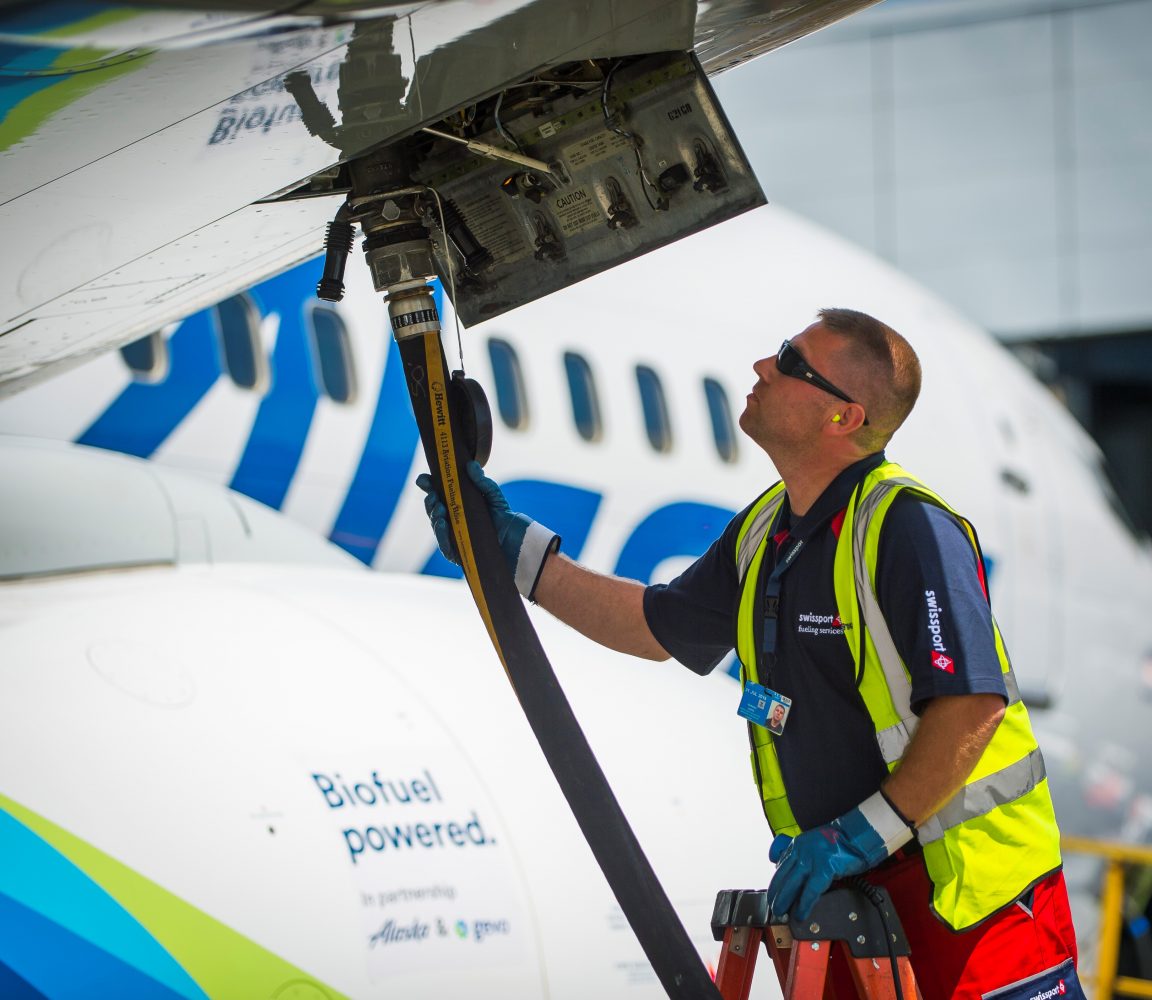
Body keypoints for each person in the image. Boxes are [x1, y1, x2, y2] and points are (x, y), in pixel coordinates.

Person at [418, 308, 1083, 1000]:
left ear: (844, 418)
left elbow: (970, 702)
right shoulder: (767, 530)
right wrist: (508, 549)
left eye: (791, 364)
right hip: (854, 905)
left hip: (978, 916)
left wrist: (859, 834)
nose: (762, 369)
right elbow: (654, 626)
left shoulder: (907, 526)